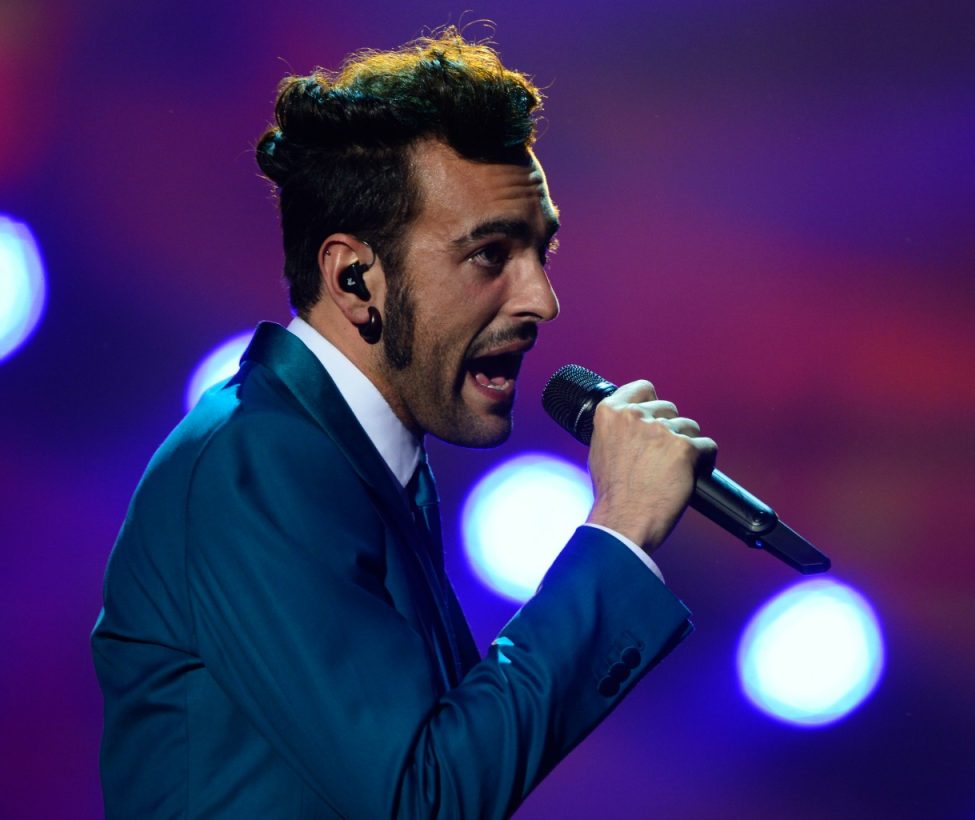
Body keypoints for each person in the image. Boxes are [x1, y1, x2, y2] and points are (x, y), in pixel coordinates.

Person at [91, 28, 716, 818]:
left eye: (541, 252)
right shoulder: (255, 461)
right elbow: (425, 800)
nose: (542, 301)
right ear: (355, 277)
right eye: (491, 254)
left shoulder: (359, 466)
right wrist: (620, 529)